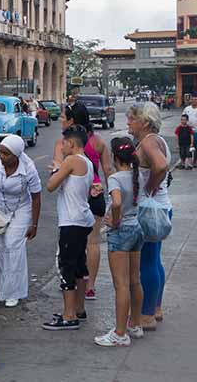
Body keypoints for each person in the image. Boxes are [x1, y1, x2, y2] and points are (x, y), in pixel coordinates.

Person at [53, 103, 112, 302]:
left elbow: (56, 172)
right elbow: (108, 170)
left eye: (63, 117)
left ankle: (72, 292)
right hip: (96, 194)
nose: (61, 120)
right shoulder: (98, 142)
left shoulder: (64, 145)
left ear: (71, 120)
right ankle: (90, 286)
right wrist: (107, 190)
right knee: (93, 243)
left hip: (75, 199)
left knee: (71, 252)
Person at [94, 137, 145, 347]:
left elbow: (116, 202)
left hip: (121, 231)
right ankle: (135, 324)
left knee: (121, 284)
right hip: (136, 227)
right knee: (134, 280)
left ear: (115, 156)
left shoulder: (115, 178)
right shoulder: (137, 175)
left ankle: (120, 333)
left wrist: (114, 220)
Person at [43, 124, 95, 331]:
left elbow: (50, 185)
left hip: (71, 221)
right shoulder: (88, 162)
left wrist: (57, 167)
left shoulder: (72, 160)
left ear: (71, 143)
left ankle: (69, 314)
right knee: (80, 266)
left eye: (63, 143)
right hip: (82, 219)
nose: (61, 146)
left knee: (67, 267)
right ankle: (79, 308)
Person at [127, 101, 171, 330]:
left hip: (150, 208)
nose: (128, 122)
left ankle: (146, 314)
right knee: (154, 260)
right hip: (159, 207)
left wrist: (151, 186)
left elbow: (161, 166)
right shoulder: (157, 140)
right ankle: (155, 307)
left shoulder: (148, 141)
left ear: (144, 122)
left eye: (132, 119)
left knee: (146, 262)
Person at [0, 134, 41, 308]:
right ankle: (2, 286)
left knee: (12, 247)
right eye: (1, 152)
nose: (2, 157)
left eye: (6, 154)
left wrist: (34, 224)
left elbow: (36, 197)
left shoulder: (29, 169)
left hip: (21, 209)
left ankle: (14, 292)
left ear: (17, 155)